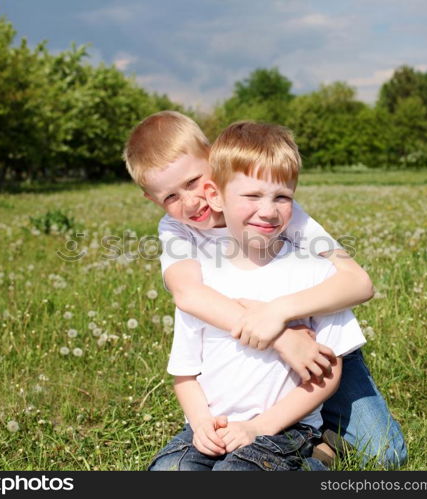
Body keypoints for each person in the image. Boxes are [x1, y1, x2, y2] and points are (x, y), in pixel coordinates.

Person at [123, 111, 407, 468]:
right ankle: (303, 438)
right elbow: (190, 295)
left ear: (213, 159)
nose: (191, 202)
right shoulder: (177, 230)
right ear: (154, 201)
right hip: (250, 347)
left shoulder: (276, 209)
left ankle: (315, 439)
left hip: (321, 344)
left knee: (385, 453)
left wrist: (280, 314)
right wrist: (280, 337)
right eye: (171, 197)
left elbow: (357, 281)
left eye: (194, 181)